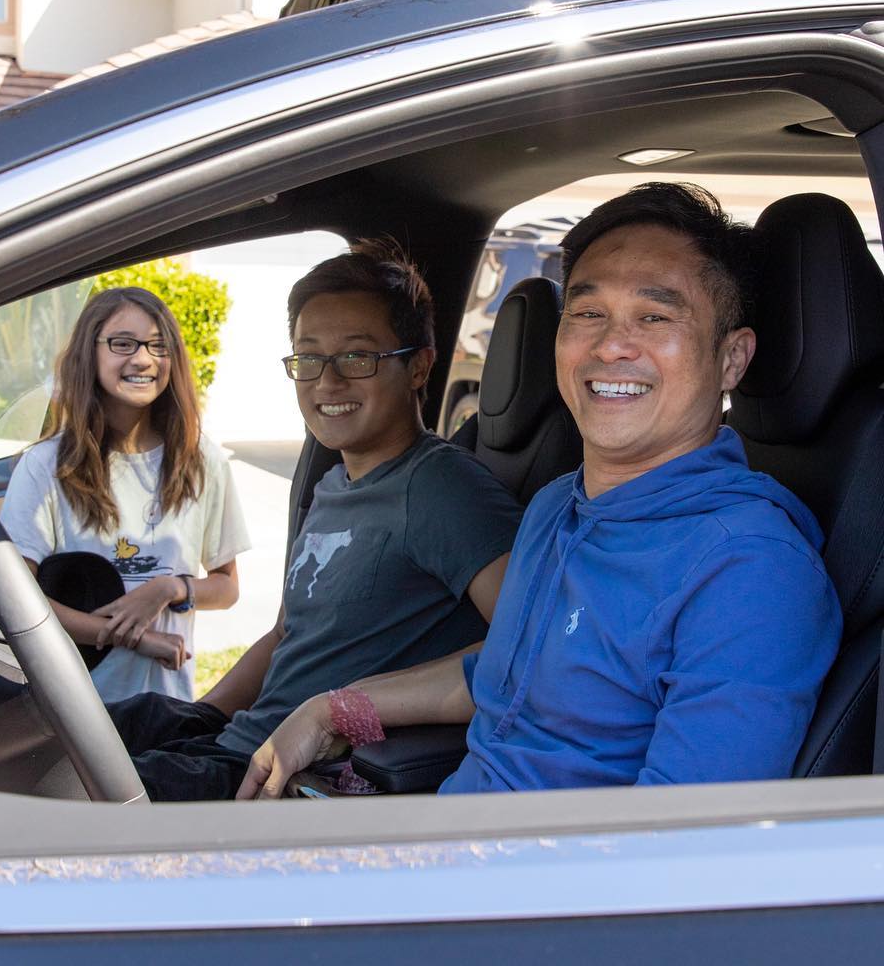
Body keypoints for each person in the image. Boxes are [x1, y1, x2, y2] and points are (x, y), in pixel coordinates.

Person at [238, 182, 843, 799]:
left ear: (733, 358)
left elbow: (682, 842)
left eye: (655, 316)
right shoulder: (559, 505)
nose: (610, 345)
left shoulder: (748, 567)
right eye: (588, 313)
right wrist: (332, 711)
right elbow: (507, 671)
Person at [106, 244, 524, 801]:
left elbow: (530, 651)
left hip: (297, 779)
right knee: (57, 730)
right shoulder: (334, 483)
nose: (327, 382)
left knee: (66, 796)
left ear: (419, 366)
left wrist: (345, 712)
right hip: (240, 743)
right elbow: (287, 634)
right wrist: (202, 717)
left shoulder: (443, 489)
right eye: (309, 359)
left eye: (357, 357)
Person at [0, 286, 250, 704]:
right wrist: (125, 635)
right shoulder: (45, 466)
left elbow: (226, 588)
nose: (143, 359)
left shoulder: (201, 459)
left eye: (158, 345)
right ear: (89, 352)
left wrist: (169, 589)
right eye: (123, 343)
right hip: (73, 710)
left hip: (166, 705)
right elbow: (16, 600)